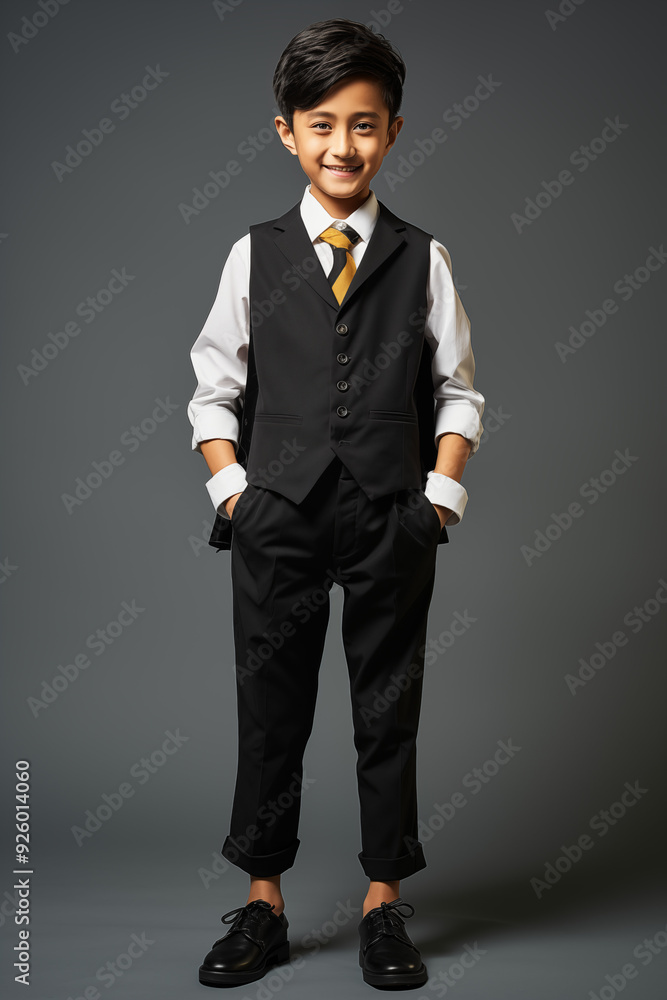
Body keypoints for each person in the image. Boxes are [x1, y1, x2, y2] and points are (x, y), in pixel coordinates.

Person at [188, 17, 485, 990]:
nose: (342, 145)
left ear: (392, 132)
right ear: (287, 134)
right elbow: (211, 384)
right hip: (278, 513)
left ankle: (384, 903)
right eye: (321, 124)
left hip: (390, 515)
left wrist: (436, 496)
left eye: (363, 125)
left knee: (385, 709)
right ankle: (262, 903)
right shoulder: (254, 254)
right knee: (269, 709)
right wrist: (236, 490)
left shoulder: (420, 258)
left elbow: (458, 390)